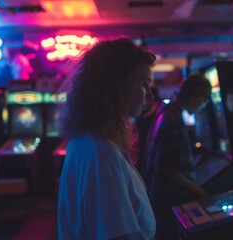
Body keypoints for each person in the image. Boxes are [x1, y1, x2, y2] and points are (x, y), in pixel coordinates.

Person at [57, 37, 157, 240]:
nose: (150, 96)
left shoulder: (86, 139)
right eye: (144, 84)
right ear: (117, 86)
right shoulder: (103, 154)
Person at [142, 74, 211, 240]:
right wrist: (198, 190)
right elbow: (165, 168)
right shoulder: (173, 119)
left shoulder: (166, 112)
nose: (204, 104)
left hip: (160, 199)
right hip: (170, 202)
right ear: (195, 95)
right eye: (205, 98)